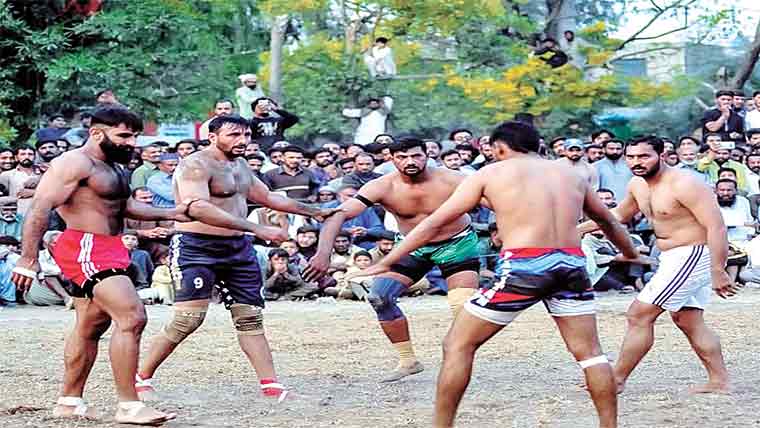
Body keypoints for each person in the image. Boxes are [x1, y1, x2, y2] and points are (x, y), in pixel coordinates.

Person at [352, 121, 636, 428]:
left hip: (526, 267)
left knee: (457, 345)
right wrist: (630, 252)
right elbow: (608, 221)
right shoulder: (572, 174)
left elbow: (433, 224)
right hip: (571, 265)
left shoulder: (490, 173)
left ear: (500, 148)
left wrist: (388, 260)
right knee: (591, 354)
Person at [135, 114, 338, 403]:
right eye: (233, 135)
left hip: (237, 248)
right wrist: (257, 228)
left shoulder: (240, 165)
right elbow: (197, 208)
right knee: (188, 319)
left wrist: (314, 211)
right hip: (197, 246)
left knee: (250, 317)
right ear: (212, 136)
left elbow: (270, 197)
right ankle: (141, 377)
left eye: (245, 135)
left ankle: (271, 385)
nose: (242, 141)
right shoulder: (195, 164)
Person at [11, 105, 184, 424]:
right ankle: (130, 406)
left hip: (110, 246)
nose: (132, 143)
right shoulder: (74, 162)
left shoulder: (116, 166)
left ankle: (69, 401)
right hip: (84, 246)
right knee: (132, 316)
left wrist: (176, 212)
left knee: (91, 325)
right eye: (124, 135)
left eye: (134, 136)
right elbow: (40, 206)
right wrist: (28, 258)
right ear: (96, 132)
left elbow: (124, 206)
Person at [304, 137, 482, 383]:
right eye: (402, 157)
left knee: (462, 304)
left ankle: (459, 357)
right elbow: (339, 215)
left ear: (427, 155)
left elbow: (496, 202)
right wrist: (323, 252)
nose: (410, 161)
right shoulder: (382, 186)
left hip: (457, 243)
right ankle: (408, 360)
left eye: (416, 156)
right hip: (411, 245)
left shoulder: (452, 179)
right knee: (380, 296)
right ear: (391, 158)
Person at [579, 135, 734, 395]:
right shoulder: (637, 184)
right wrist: (577, 230)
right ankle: (719, 381)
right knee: (688, 319)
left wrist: (719, 269)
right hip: (672, 257)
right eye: (631, 157)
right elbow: (617, 215)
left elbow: (715, 226)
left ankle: (616, 379)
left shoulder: (685, 184)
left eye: (643, 156)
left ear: (661, 155)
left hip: (693, 253)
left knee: (639, 314)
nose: (636, 162)